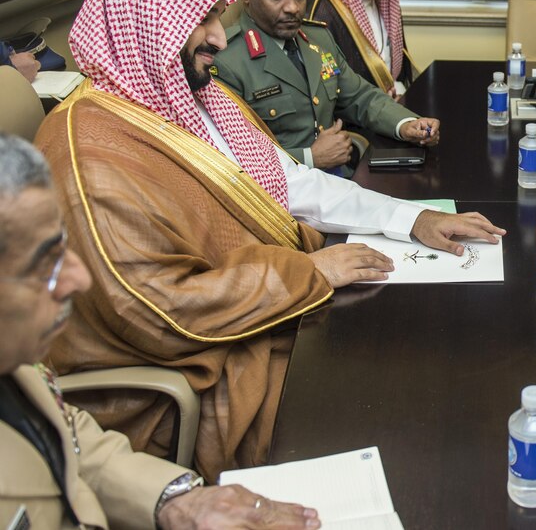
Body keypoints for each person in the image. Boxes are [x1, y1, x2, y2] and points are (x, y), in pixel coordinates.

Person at [36, 0, 504, 480]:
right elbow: (158, 311)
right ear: (148, 26)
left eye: (217, 16)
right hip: (202, 364)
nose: (217, 36)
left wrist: (412, 217)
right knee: (389, 403)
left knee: (414, 357)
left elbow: (292, 183)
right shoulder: (88, 151)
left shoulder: (191, 94)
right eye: (201, 21)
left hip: (266, 304)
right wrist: (309, 271)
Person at [0, 134, 320, 530]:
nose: (78, 278)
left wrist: (175, 499)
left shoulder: (17, 366)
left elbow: (69, 441)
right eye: (45, 263)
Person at [214, 0, 438, 171]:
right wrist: (309, 157)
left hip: (336, 178)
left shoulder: (318, 38)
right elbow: (229, 157)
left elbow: (359, 97)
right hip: (280, 195)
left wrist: (406, 124)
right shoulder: (226, 62)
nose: (292, 7)